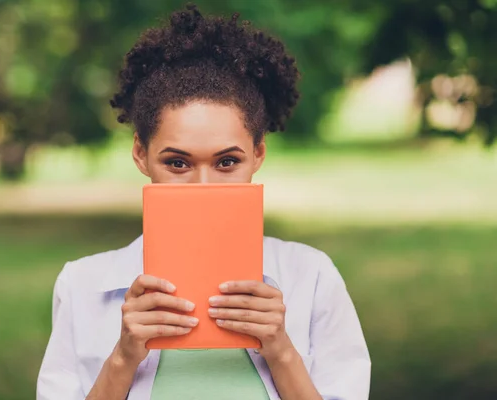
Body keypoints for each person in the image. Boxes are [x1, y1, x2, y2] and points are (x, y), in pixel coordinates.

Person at [37, 4, 370, 400]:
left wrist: (280, 349)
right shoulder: (81, 286)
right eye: (177, 162)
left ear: (258, 154)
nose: (203, 184)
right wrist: (123, 358)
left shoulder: (312, 278)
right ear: (141, 156)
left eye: (227, 161)